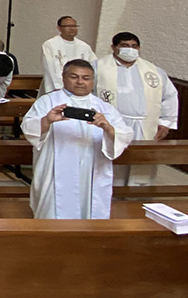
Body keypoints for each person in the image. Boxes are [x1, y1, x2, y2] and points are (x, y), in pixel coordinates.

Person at [24, 60, 132, 219]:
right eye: (74, 77)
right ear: (64, 77)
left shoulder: (104, 107)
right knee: (53, 212)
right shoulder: (48, 102)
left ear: (92, 81)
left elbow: (125, 135)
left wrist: (108, 128)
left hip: (93, 171)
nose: (80, 82)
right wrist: (47, 120)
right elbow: (28, 128)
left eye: (86, 78)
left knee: (90, 211)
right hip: (54, 172)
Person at [94, 31, 179, 185]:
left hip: (144, 125)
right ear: (114, 47)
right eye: (125, 46)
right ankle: (112, 195)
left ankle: (138, 196)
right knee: (113, 165)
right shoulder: (98, 67)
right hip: (112, 124)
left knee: (141, 166)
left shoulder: (154, 71)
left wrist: (166, 122)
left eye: (134, 46)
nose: (130, 49)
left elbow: (170, 96)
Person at [41, 16, 96, 94]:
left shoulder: (84, 46)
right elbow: (49, 67)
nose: (72, 28)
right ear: (59, 28)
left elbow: (94, 65)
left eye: (74, 26)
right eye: (68, 26)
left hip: (79, 87)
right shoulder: (50, 45)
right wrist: (58, 87)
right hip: (57, 88)